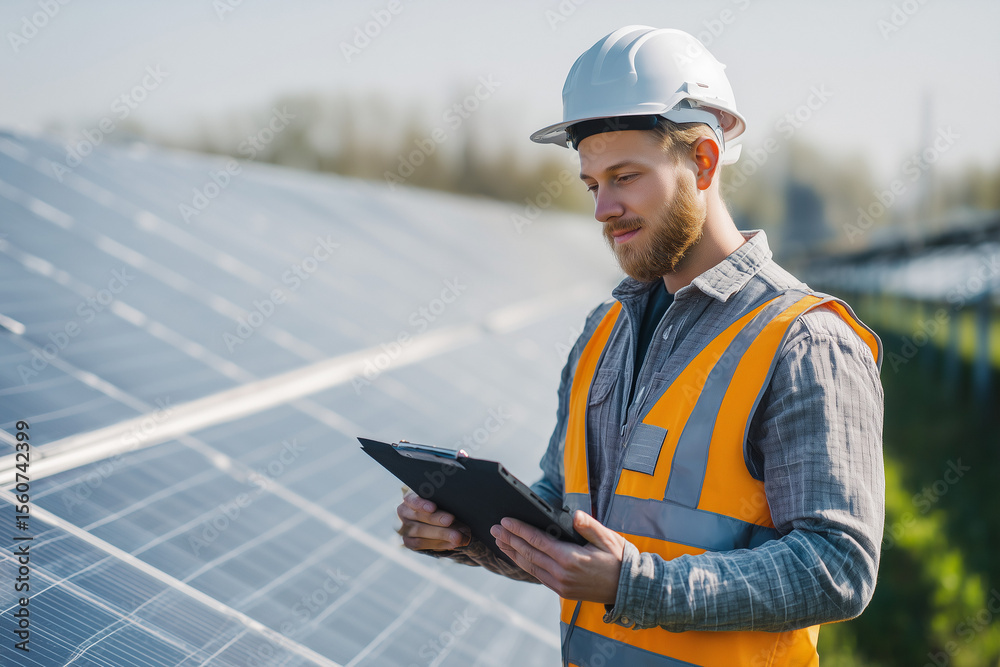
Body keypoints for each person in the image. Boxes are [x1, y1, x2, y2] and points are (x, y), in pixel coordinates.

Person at [396, 26, 884, 666]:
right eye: (592, 183)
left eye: (625, 176)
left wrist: (636, 586)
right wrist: (466, 531)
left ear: (703, 161)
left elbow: (836, 566)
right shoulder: (604, 333)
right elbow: (566, 518)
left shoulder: (804, 341)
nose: (603, 207)